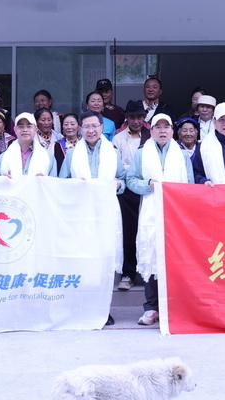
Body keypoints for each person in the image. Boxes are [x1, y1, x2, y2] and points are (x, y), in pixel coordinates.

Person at [125, 113, 194, 326]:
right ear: (152, 131)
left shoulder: (182, 155)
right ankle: (151, 307)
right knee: (151, 254)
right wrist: (148, 185)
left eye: (166, 127)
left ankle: (174, 306)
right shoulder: (141, 153)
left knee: (174, 257)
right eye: (158, 127)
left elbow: (190, 184)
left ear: (172, 131)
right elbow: (130, 180)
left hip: (176, 212)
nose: (162, 130)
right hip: (151, 211)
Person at [59, 110, 125, 326]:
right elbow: (62, 183)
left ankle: (103, 309)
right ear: (80, 129)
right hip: (81, 215)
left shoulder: (112, 152)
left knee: (104, 262)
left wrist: (118, 184)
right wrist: (74, 187)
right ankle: (81, 308)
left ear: (101, 127)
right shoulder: (72, 155)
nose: (91, 130)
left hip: (106, 213)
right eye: (86, 126)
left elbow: (123, 179)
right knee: (82, 262)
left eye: (94, 126)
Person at [112, 100, 151, 291]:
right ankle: (128, 273)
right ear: (126, 118)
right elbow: (118, 167)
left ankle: (150, 273)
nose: (136, 121)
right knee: (129, 232)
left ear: (144, 118)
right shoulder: (118, 139)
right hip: (128, 192)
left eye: (139, 117)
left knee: (150, 231)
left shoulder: (151, 137)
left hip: (149, 190)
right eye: (132, 117)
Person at [0, 113, 58, 178]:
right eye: (21, 126)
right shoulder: (3, 157)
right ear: (15, 130)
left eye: (29, 126)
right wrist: (4, 181)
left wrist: (44, 181)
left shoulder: (48, 156)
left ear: (36, 129)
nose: (25, 130)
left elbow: (53, 182)